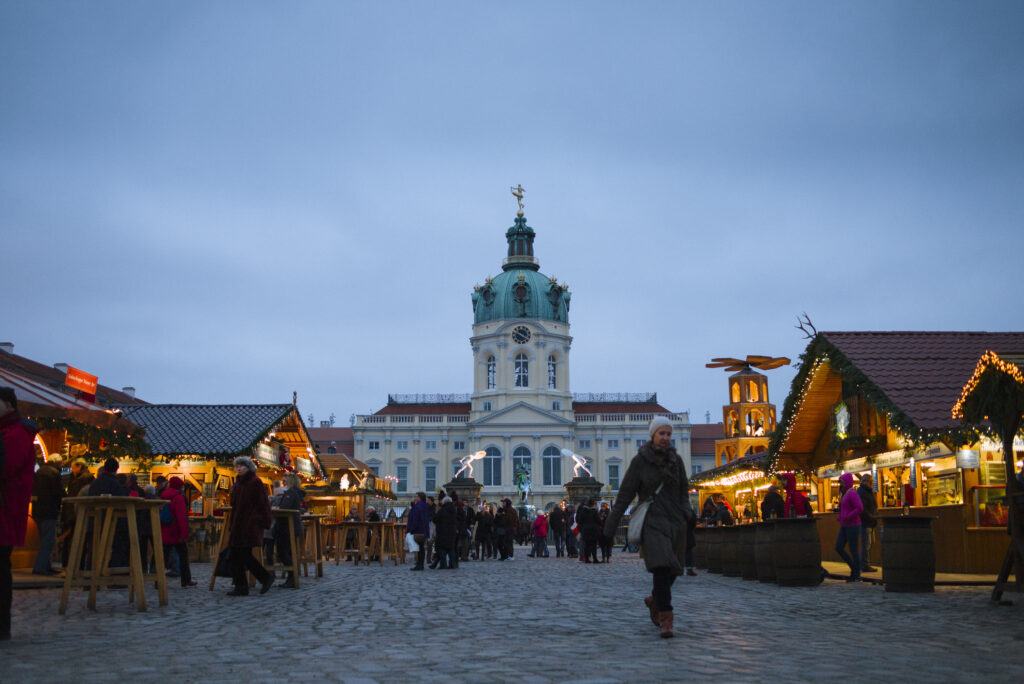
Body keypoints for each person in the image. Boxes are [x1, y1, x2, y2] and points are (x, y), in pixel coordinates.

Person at [603, 416, 694, 639]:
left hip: (675, 521)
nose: (665, 437)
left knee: (674, 569)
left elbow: (683, 491)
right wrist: (609, 529)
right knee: (661, 567)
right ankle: (666, 619)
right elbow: (625, 495)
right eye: (661, 433)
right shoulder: (640, 461)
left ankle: (655, 599)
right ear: (653, 435)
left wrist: (687, 513)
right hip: (652, 520)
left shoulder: (676, 461)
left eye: (668, 434)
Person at [1, 387, 37, 641]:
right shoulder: (12, 431)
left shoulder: (15, 433)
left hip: (5, 509)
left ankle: (2, 626)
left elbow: (5, 468)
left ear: (8, 404)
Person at [227, 456, 273, 596]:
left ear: (249, 467)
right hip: (239, 524)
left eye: (242, 466)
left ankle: (263, 578)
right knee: (237, 554)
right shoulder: (239, 483)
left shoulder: (255, 482)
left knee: (243, 554)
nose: (239, 468)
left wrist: (259, 520)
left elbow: (263, 504)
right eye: (237, 466)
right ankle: (242, 586)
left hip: (249, 525)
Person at [87, 457, 131, 567]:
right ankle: (114, 572)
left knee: (94, 546)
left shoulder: (95, 483)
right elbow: (120, 503)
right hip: (112, 521)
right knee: (117, 547)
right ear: (116, 469)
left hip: (94, 519)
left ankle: (91, 570)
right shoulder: (115, 484)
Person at [158, 476, 195, 587]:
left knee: (163, 557)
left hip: (165, 530)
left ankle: (158, 581)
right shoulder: (179, 497)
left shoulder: (163, 496)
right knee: (183, 556)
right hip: (176, 532)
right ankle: (186, 580)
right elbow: (181, 517)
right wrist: (184, 534)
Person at [31, 454, 64, 575]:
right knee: (48, 540)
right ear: (57, 462)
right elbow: (58, 492)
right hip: (49, 510)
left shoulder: (39, 471)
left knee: (44, 539)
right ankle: (40, 567)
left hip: (37, 510)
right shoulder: (54, 473)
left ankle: (45, 565)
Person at [60, 457, 95, 569]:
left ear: (79, 467)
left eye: (73, 467)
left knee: (77, 540)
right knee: (72, 539)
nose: (72, 470)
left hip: (77, 511)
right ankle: (69, 564)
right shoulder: (76, 477)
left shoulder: (85, 478)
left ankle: (74, 565)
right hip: (72, 511)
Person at [274, 473, 306, 588]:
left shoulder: (291, 493)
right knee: (287, 551)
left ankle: (292, 576)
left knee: (283, 551)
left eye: (284, 481)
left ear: (290, 482)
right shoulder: (295, 492)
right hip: (293, 525)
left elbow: (285, 508)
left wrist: (276, 508)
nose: (283, 483)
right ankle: (292, 577)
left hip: (288, 526)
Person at [835, 472, 864, 582]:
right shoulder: (845, 494)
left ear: (847, 482)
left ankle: (856, 574)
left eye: (842, 482)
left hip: (853, 525)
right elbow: (845, 508)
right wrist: (841, 516)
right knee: (838, 547)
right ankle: (854, 568)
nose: (840, 484)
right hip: (844, 524)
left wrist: (848, 516)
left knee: (854, 550)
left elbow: (859, 508)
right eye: (840, 482)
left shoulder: (852, 493)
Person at [858, 474, 878, 572]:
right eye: (870, 482)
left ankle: (864, 563)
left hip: (870, 522)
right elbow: (862, 508)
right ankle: (865, 565)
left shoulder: (867, 491)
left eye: (872, 482)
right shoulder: (862, 492)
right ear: (865, 481)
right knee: (866, 544)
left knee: (869, 543)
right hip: (866, 522)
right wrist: (870, 516)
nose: (871, 484)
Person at [432, 496, 458, 569]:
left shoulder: (442, 510)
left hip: (442, 531)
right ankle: (452, 564)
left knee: (442, 548)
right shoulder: (454, 510)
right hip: (452, 531)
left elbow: (435, 519)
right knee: (451, 548)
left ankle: (443, 565)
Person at [407, 492, 430, 570]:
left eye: (416, 496)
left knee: (420, 548)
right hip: (423, 529)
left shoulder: (418, 506)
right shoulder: (424, 506)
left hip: (418, 529)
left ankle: (419, 564)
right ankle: (420, 564)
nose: (415, 498)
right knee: (421, 547)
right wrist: (413, 504)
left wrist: (412, 529)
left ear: (420, 498)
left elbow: (415, 518)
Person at [577, 497, 600, 564]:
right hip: (593, 530)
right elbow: (598, 520)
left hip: (585, 529)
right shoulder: (594, 511)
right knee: (593, 545)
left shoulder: (583, 510)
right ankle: (595, 558)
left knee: (586, 545)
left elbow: (579, 520)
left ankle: (586, 559)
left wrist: (581, 528)